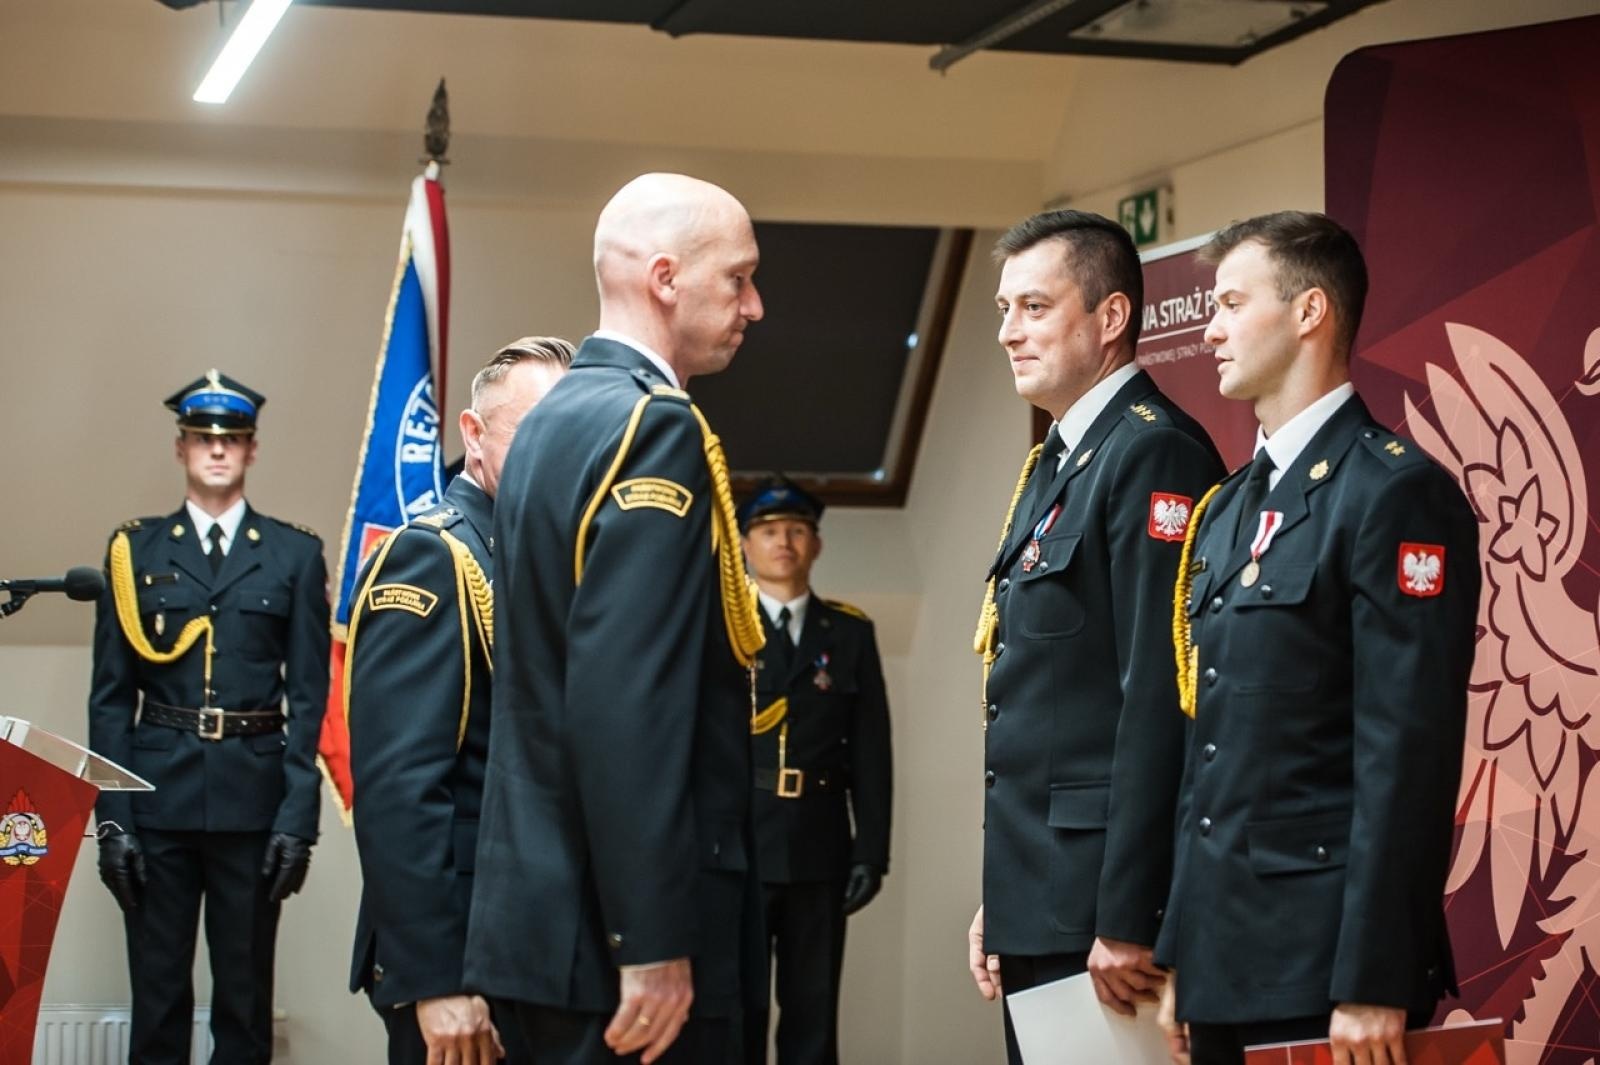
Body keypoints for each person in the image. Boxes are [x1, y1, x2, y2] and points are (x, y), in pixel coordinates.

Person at [1154, 212, 1480, 1065]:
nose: (1210, 329)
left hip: (1327, 963)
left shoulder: (1393, 494)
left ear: (1309, 312)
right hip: (1224, 959)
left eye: (1230, 303)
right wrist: (1183, 947)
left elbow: (1403, 753)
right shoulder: (1227, 508)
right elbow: (1212, 752)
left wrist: (1374, 974)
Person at [464, 173, 766, 1065]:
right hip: (619, 941)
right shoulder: (650, 427)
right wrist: (652, 937)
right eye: (738, 279)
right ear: (666, 278)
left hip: (543, 919)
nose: (755, 305)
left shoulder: (556, 414)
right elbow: (623, 696)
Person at [965, 210, 1224, 1064]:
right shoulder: (1055, 460)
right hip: (1041, 893)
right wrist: (1001, 895)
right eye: (1004, 309)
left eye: (1033, 307)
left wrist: (1133, 912)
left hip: (1104, 915)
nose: (1008, 332)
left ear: (1110, 319)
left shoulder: (1154, 456)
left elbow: (1159, 695)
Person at [89, 371, 328, 1064]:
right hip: (156, 802)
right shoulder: (134, 553)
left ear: (252, 450)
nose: (217, 451)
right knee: (158, 1002)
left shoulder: (294, 555)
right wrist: (113, 818)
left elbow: (309, 698)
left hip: (253, 811)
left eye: (232, 440)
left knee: (245, 1004)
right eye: (203, 439)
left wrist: (297, 818)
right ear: (180, 448)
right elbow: (110, 698)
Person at [347, 337, 574, 1065]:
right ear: (473, 436)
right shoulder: (435, 555)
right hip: (461, 959)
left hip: (537, 947)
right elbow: (398, 790)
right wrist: (435, 979)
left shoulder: (544, 562)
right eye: (534, 428)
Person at [738, 475, 892, 1065]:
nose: (784, 542)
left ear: (817, 545)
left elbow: (872, 753)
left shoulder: (849, 632)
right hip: (743, 846)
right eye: (770, 531)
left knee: (813, 1016)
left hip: (819, 847)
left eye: (798, 531)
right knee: (740, 1015)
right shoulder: (725, 628)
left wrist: (870, 852)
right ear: (746, 545)